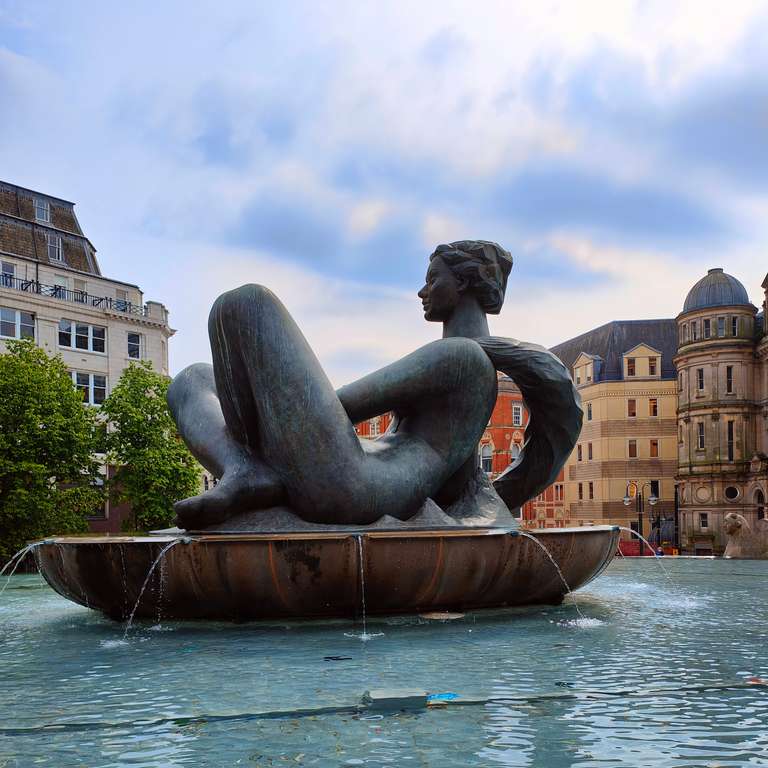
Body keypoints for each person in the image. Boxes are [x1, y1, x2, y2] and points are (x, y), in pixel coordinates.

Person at [168, 240, 580, 530]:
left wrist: (263, 396)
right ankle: (247, 470)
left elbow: (338, 407)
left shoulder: (461, 360)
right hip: (352, 475)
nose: (423, 290)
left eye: (433, 279)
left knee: (245, 303)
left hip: (359, 486)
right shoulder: (467, 372)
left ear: (465, 284)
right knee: (192, 379)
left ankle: (247, 470)